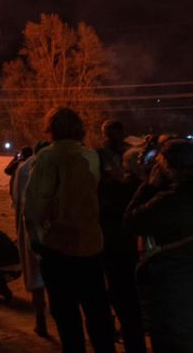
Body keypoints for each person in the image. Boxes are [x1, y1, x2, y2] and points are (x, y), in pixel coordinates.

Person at [25, 107, 116, 353]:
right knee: (97, 310)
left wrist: (36, 238)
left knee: (66, 314)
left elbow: (33, 206)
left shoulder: (47, 158)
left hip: (58, 246)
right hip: (90, 243)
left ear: (51, 128)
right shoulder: (91, 156)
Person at [125, 138, 193, 353]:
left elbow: (132, 221)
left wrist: (148, 186)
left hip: (172, 294)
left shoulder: (171, 201)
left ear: (168, 168)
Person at [98, 121, 146, 353]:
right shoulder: (141, 186)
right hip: (127, 243)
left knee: (119, 295)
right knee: (129, 299)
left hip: (114, 242)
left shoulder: (111, 180)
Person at [12, 141, 51, 337]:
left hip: (31, 228)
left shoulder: (24, 168)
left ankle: (40, 318)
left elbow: (16, 200)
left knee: (37, 277)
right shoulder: (57, 164)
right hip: (54, 230)